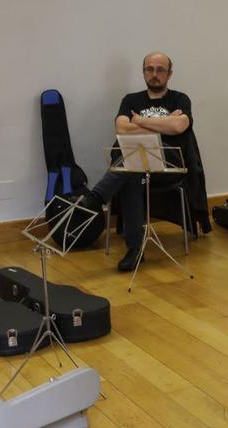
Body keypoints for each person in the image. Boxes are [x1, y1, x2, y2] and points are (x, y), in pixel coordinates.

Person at [80, 52, 194, 272]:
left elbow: (178, 127)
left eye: (160, 70)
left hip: (167, 166)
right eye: (149, 69)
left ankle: (96, 199)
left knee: (130, 166)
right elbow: (121, 128)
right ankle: (135, 249)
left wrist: (139, 120)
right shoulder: (130, 100)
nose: (154, 74)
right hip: (135, 165)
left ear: (169, 74)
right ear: (143, 72)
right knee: (132, 171)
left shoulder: (181, 99)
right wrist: (164, 122)